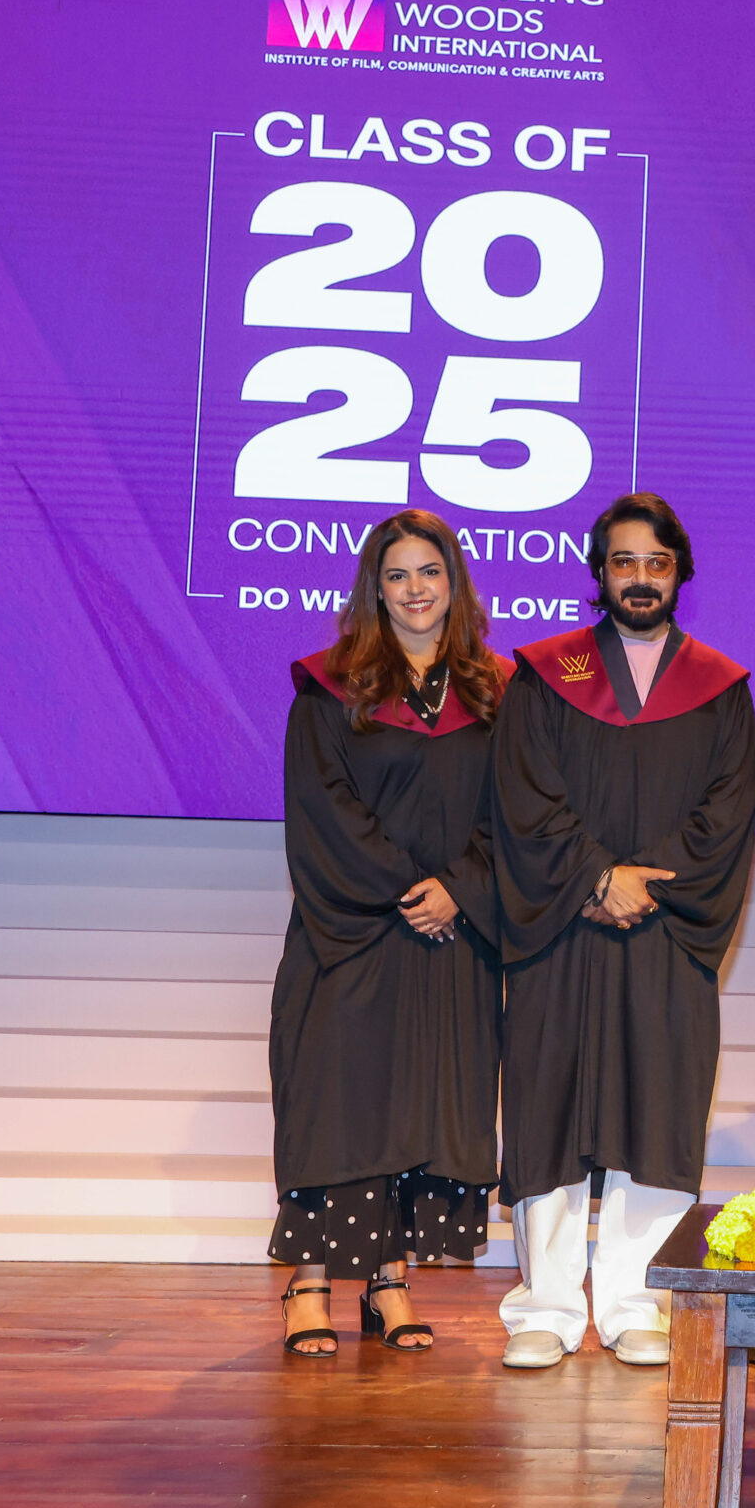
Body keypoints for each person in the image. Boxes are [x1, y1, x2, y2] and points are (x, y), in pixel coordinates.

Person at [487, 492, 755, 1371]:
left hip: (664, 933)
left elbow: (728, 813)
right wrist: (598, 876)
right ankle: (548, 1307)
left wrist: (644, 884)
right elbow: (523, 798)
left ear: (680, 571)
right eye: (623, 563)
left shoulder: (719, 688)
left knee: (657, 1104)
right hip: (564, 925)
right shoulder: (543, 675)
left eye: (657, 563)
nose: (640, 579)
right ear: (598, 572)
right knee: (551, 1104)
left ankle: (639, 1298)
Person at [269, 508, 509, 1357]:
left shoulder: (495, 692)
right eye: (398, 574)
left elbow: (516, 815)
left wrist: (463, 891)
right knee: (339, 1104)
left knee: (419, 1108)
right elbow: (322, 810)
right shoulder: (330, 687)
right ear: (375, 586)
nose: (416, 590)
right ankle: (309, 1286)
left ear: (455, 584)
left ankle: (390, 1281)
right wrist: (410, 890)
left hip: (452, 939)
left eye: (430, 573)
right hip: (355, 935)